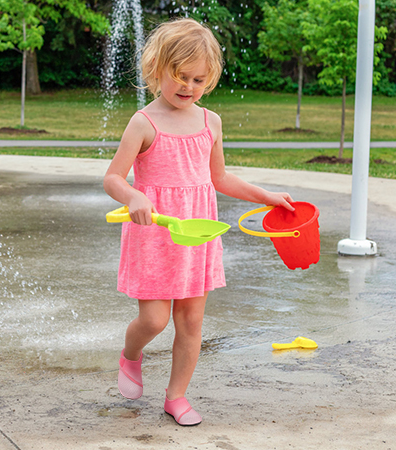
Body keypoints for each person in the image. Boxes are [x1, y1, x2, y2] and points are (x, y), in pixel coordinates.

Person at [103, 17, 294, 426]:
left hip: (198, 235)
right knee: (154, 320)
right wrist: (134, 194)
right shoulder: (144, 122)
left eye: (199, 80)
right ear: (157, 69)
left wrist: (266, 197)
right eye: (180, 77)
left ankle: (176, 396)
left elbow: (219, 178)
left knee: (190, 322)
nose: (188, 87)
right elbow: (112, 178)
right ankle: (131, 354)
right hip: (155, 233)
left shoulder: (210, 122)